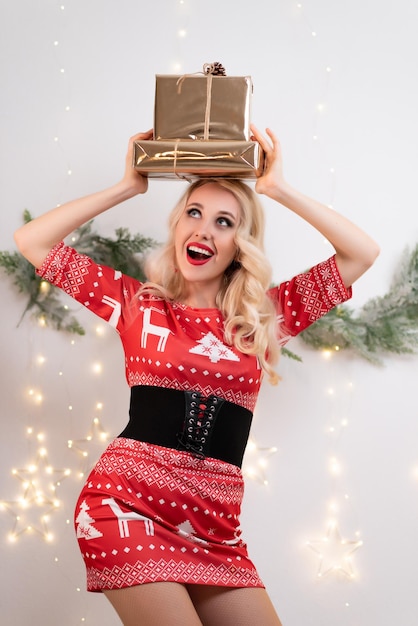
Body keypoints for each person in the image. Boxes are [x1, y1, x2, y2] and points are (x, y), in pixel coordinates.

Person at [14, 126, 379, 626]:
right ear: (178, 226)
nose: (203, 231)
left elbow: (362, 253)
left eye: (224, 221)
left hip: (215, 529)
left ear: (240, 244)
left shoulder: (264, 320)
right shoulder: (139, 307)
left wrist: (276, 189)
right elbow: (31, 240)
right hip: (126, 507)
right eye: (194, 213)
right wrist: (128, 186)